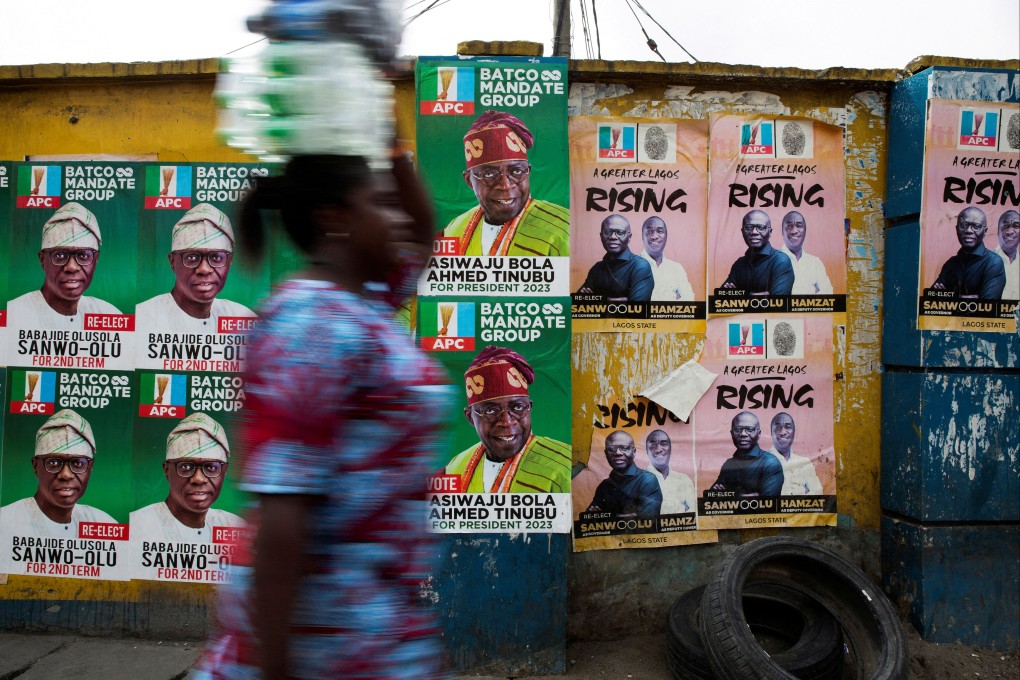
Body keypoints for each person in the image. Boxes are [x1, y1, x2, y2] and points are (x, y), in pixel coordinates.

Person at [195, 153, 449, 680]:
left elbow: (424, 234)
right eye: (382, 203)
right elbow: (285, 515)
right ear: (335, 219)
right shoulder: (310, 324)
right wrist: (275, 668)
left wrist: (388, 137)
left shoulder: (369, 300)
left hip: (376, 630)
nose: (398, 217)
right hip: (324, 639)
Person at [441, 346, 571, 493]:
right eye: (490, 410)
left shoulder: (565, 467)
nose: (507, 421)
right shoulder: (455, 467)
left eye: (517, 407)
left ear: (529, 408)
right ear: (470, 417)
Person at [443, 110, 569, 256]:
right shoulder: (454, 229)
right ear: (469, 180)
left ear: (528, 171)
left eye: (516, 171)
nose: (505, 185)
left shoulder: (564, 230)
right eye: (489, 174)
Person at [135, 203, 256, 332]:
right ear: (172, 261)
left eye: (216, 257)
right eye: (192, 258)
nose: (204, 269)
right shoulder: (144, 318)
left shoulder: (240, 317)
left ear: (229, 261)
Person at [0, 409, 115, 538]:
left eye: (77, 463)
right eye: (54, 463)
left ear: (90, 467)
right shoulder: (5, 524)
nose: (66, 474)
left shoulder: (102, 523)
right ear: (35, 466)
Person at [130, 412, 243, 542]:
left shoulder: (234, 526)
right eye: (186, 467)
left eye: (211, 467)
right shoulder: (137, 527)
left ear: (224, 472)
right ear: (167, 470)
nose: (199, 479)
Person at [6, 202, 120, 329]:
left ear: (96, 259)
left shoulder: (107, 314)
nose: (71, 267)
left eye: (83, 255)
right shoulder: (12, 316)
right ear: (42, 259)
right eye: (60, 255)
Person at [931, 206, 1005, 299]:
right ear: (956, 229)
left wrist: (948, 298)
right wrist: (972, 298)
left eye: (976, 226)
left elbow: (987, 305)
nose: (969, 230)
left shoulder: (993, 262)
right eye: (963, 225)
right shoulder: (950, 264)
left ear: (985, 231)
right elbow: (931, 299)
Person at [585, 430, 662, 518]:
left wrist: (605, 516)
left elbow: (648, 519)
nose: (618, 453)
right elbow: (588, 519)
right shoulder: (604, 486)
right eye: (611, 449)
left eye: (624, 448)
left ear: (634, 452)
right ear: (606, 454)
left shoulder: (647, 480)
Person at [577, 214, 654, 301]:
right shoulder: (596, 269)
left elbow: (637, 308)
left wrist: (597, 300)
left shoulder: (640, 266)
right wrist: (623, 301)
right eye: (608, 232)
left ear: (629, 237)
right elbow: (577, 302)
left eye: (620, 232)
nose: (613, 237)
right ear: (601, 236)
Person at [710, 412, 783, 498]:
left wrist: (729, 496)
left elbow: (768, 503)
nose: (743, 434)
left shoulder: (771, 463)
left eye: (750, 429)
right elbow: (711, 498)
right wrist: (748, 496)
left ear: (759, 434)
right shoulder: (728, 464)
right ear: (731, 433)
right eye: (737, 429)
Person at [721, 209, 794, 296]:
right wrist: (762, 295)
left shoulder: (781, 261)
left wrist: (740, 295)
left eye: (761, 227)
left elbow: (777, 301)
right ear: (742, 231)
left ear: (770, 232)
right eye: (749, 227)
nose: (754, 232)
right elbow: (721, 295)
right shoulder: (739, 264)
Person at [638, 216, 695, 301]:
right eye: (649, 231)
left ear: (666, 236)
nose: (654, 236)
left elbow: (689, 300)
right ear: (642, 236)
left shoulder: (676, 268)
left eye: (660, 231)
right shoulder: (631, 266)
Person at [767, 412, 823, 496]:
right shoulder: (761, 461)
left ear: (794, 432)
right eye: (778, 427)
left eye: (788, 427)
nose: (783, 432)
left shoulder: (804, 462)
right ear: (771, 432)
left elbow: (818, 492)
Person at [779, 211, 833, 295]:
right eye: (789, 226)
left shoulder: (815, 262)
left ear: (805, 231)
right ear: (782, 231)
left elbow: (828, 292)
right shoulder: (771, 260)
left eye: (799, 225)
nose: (794, 231)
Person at [644, 429, 695, 514]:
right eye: (653, 444)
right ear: (646, 450)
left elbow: (694, 511)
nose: (659, 449)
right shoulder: (638, 480)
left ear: (670, 449)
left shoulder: (684, 480)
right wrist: (682, 508)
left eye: (664, 444)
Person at [993, 210, 1019, 299]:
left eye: (1016, 226)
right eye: (1005, 226)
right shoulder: (986, 262)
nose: (1010, 231)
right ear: (998, 232)